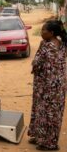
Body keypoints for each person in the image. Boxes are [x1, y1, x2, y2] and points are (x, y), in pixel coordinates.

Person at [28, 20, 66, 151]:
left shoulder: (45, 46)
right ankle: (41, 137)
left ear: (52, 33)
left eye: (44, 30)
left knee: (43, 111)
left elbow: (36, 64)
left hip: (45, 85)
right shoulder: (62, 44)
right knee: (53, 113)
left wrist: (35, 65)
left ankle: (48, 144)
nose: (41, 32)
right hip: (58, 86)